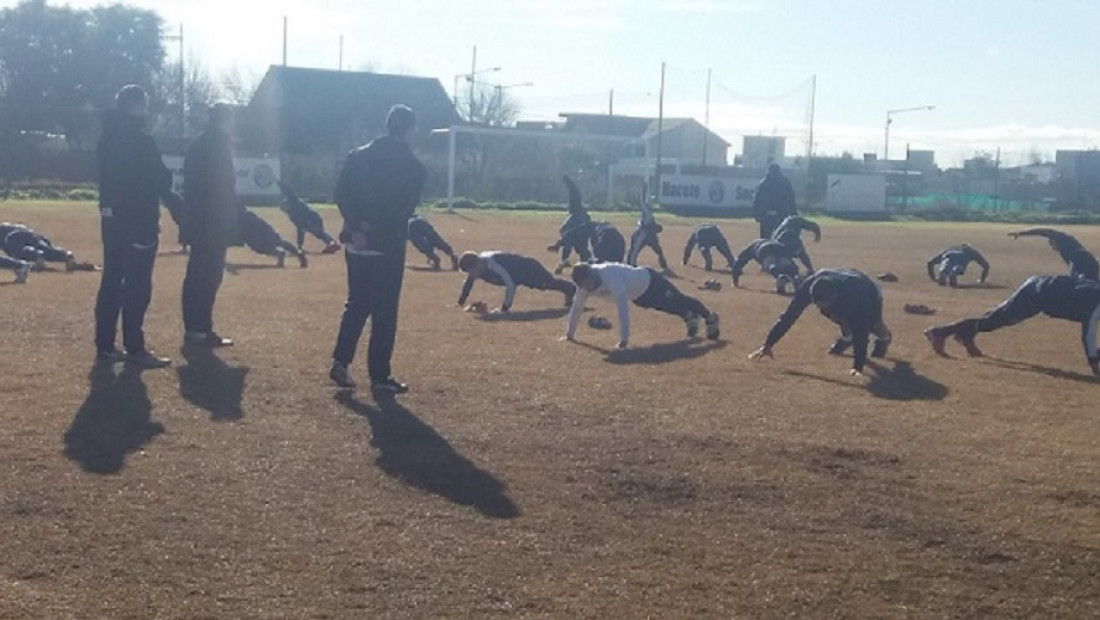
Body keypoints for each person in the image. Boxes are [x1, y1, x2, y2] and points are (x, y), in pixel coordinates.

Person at [330, 104, 427, 393]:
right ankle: (379, 376)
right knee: (384, 311)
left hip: (355, 241)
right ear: (409, 130)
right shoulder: (413, 167)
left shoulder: (357, 156)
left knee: (357, 303)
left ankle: (341, 361)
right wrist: (371, 232)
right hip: (386, 244)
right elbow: (400, 211)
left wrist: (357, 227)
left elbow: (341, 194)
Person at [93, 84, 174, 368]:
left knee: (112, 280)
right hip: (139, 221)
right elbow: (161, 179)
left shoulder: (107, 138)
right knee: (138, 284)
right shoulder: (141, 140)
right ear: (136, 106)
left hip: (112, 220)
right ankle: (135, 347)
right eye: (144, 104)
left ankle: (105, 345)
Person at [924, 275, 1100, 374]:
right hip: (1036, 293)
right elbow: (1088, 333)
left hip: (1044, 290)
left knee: (994, 319)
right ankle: (939, 332)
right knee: (995, 321)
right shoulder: (1096, 302)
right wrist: (1094, 363)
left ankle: (966, 336)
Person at [749, 268, 892, 376]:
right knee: (837, 315)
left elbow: (861, 331)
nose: (820, 307)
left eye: (824, 303)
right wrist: (769, 343)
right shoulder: (807, 289)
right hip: (843, 288)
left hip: (869, 291)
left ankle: (885, 338)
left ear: (834, 295)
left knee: (872, 326)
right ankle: (847, 338)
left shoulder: (856, 295)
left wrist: (858, 366)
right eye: (817, 304)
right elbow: (788, 316)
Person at [181, 102, 238, 347]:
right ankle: (201, 327)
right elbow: (221, 187)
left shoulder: (199, 142)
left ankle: (195, 327)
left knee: (196, 274)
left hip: (197, 220)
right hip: (212, 222)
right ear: (226, 120)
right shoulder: (218, 145)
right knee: (208, 275)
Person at [564, 262, 719, 349]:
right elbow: (576, 309)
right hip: (638, 296)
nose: (589, 288)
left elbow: (622, 309)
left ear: (592, 274)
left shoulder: (610, 275)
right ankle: (689, 316)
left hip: (651, 281)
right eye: (585, 286)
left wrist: (624, 339)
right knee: (665, 306)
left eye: (589, 282)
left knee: (678, 299)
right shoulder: (583, 288)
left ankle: (709, 317)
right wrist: (569, 335)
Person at [457, 251, 575, 312]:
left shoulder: (493, 263)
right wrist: (460, 302)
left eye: (471, 271)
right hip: (519, 275)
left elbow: (510, 284)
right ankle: (570, 291)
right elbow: (468, 283)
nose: (471, 275)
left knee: (546, 284)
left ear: (477, 264)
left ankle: (572, 289)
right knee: (544, 285)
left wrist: (505, 308)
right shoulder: (479, 267)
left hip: (529, 268)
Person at [1007, 228, 1099, 280]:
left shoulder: (1062, 239)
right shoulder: (1066, 251)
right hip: (1087, 261)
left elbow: (1042, 231)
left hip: (1082, 259)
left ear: (1055, 240)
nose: (1052, 248)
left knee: (1076, 281)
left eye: (1052, 245)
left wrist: (1021, 233)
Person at [277, 180, 340, 253]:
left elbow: (289, 192)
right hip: (307, 222)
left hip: (313, 218)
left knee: (318, 232)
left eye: (284, 207)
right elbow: (299, 229)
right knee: (316, 232)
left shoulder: (294, 202)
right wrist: (299, 246)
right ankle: (331, 243)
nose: (284, 210)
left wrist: (281, 185)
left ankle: (332, 243)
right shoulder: (291, 215)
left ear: (288, 203)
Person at [235, 204, 308, 268]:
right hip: (265, 228)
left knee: (260, 247)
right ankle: (298, 253)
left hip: (253, 232)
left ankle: (278, 252)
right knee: (279, 240)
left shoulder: (238, 218)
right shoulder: (250, 213)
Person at [548, 175, 593, 272]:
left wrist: (569, 182)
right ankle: (584, 265)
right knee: (580, 248)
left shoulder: (576, 211)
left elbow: (575, 193)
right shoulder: (578, 213)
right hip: (580, 223)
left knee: (576, 246)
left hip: (578, 223)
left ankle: (568, 263)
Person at [1, 222, 89, 271]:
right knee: (46, 250)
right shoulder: (9, 225)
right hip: (32, 234)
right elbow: (45, 242)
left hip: (11, 237)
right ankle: (65, 255)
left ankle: (36, 255)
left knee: (18, 252)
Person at [730, 238, 802, 294]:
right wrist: (795, 271)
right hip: (780, 247)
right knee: (785, 264)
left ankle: (779, 276)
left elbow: (738, 262)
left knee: (770, 264)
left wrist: (735, 281)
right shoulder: (770, 240)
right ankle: (796, 278)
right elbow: (792, 262)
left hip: (764, 249)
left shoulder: (751, 246)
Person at [626, 184, 669, 270]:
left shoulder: (649, 212)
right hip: (643, 233)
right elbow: (641, 202)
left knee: (658, 250)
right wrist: (643, 191)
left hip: (651, 235)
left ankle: (664, 265)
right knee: (635, 250)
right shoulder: (646, 211)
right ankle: (630, 265)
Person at [752, 162, 797, 239]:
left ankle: (766, 251)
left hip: (766, 215)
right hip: (781, 214)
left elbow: (757, 200)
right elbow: (791, 199)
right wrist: (794, 214)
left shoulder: (764, 183)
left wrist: (757, 214)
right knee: (780, 238)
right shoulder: (785, 182)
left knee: (764, 240)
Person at [160, 188, 189, 254]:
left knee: (183, 227)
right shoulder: (171, 197)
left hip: (183, 213)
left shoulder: (171, 198)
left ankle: (184, 248)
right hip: (181, 212)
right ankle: (184, 247)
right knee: (182, 226)